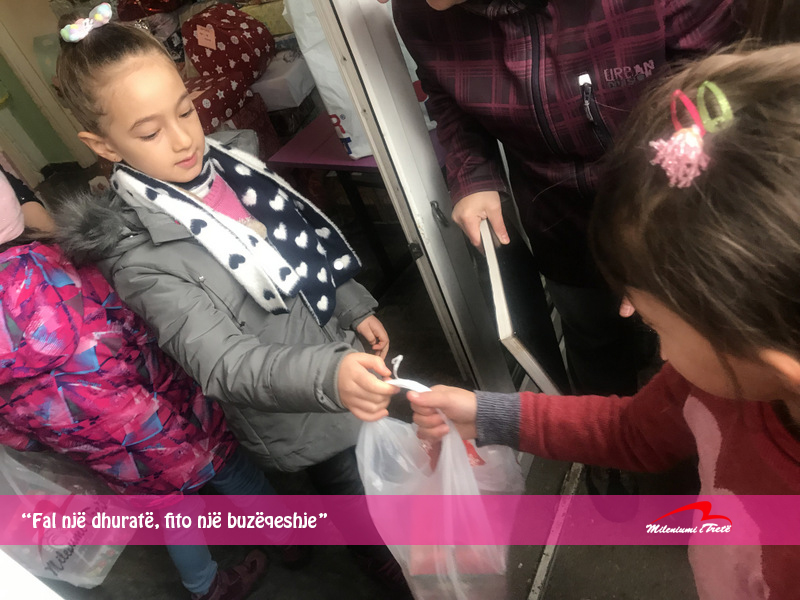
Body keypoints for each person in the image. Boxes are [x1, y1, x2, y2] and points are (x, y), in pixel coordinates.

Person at [408, 44, 800, 599]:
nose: (641, 329)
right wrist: (485, 414)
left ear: (767, 357)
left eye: (657, 324)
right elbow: (630, 432)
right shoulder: (712, 381)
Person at [52, 9, 408, 595]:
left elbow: (300, 245)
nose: (184, 140)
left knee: (384, 477)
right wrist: (329, 372)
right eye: (149, 133)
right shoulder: (140, 256)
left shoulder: (233, 169)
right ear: (102, 144)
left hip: (337, 356)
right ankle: (391, 571)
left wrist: (350, 304)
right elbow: (223, 362)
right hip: (296, 408)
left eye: (185, 110)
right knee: (354, 496)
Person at [389, 0, 740, 398]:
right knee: (591, 334)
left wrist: (671, 232)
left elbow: (720, 94)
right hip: (555, 212)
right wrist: (473, 175)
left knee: (689, 348)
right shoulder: (418, 13)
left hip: (673, 201)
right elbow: (445, 98)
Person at [0, 172, 272, 600]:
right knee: (228, 463)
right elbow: (136, 323)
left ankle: (207, 587)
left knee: (169, 508)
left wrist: (43, 440)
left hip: (92, 442)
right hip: (158, 403)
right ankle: (289, 538)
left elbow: (10, 432)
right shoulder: (58, 262)